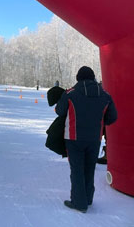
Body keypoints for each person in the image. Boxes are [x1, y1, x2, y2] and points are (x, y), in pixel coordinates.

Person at [56, 66, 117, 213]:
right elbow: (112, 117)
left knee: (77, 170)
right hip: (94, 139)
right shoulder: (105, 95)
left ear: (78, 78)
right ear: (93, 78)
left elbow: (59, 111)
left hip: (74, 138)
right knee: (89, 169)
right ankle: (88, 198)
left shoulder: (70, 93)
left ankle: (79, 203)